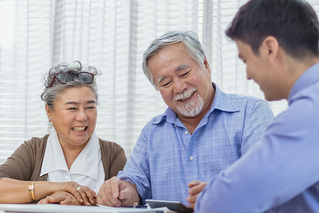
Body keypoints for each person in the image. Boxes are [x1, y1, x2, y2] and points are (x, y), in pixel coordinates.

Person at [97, 31, 274, 208]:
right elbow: (134, 184)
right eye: (166, 83)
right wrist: (120, 192)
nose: (179, 88)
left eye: (184, 73)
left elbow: (267, 181)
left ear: (205, 64)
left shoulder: (250, 113)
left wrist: (225, 193)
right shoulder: (152, 131)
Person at [195, 0, 319, 212]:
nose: (248, 75)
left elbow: (217, 203)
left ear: (270, 49)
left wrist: (221, 190)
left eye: (245, 60)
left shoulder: (307, 115)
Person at [0, 61, 127, 205]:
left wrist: (78, 202)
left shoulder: (112, 154)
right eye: (72, 108)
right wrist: (57, 188)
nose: (82, 117)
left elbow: (127, 200)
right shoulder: (34, 150)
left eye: (90, 107)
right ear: (49, 111)